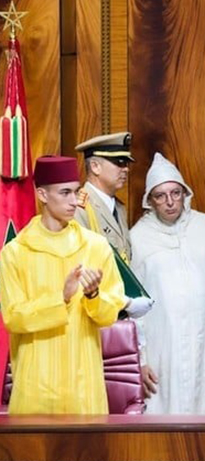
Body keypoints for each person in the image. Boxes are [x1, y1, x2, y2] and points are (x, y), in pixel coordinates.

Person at [0, 156, 125, 414]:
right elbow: (13, 317)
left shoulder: (95, 247)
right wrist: (62, 298)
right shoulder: (15, 253)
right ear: (42, 194)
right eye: (65, 192)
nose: (74, 201)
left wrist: (93, 295)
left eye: (76, 191)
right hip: (36, 393)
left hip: (84, 393)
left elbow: (110, 313)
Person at [130, 153, 205, 416]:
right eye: (160, 196)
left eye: (175, 193)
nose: (170, 202)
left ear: (185, 194)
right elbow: (134, 304)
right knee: (167, 408)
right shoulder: (137, 237)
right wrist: (141, 359)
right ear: (150, 201)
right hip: (163, 345)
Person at [74, 132, 152, 318]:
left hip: (117, 311)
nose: (125, 169)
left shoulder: (118, 207)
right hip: (93, 312)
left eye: (126, 163)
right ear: (95, 166)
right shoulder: (80, 208)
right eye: (119, 163)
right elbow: (81, 270)